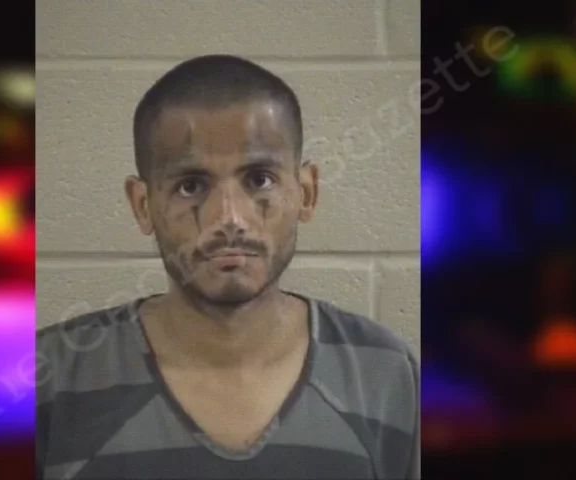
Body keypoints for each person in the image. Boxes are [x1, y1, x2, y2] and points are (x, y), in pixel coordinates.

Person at [36, 54, 420, 480]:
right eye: (190, 185)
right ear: (143, 205)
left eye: (259, 179)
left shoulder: (385, 373)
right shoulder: (48, 377)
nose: (229, 218)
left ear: (306, 193)